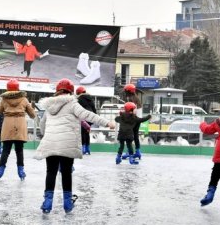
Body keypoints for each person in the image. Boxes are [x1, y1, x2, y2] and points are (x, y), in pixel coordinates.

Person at [35, 78, 115, 213]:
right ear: (70, 92)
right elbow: (88, 115)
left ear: (57, 91)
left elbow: (42, 125)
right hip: (67, 143)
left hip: (51, 142)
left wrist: (48, 134)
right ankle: (67, 203)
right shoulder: (72, 103)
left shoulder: (49, 107)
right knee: (66, 172)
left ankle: (47, 202)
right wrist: (107, 123)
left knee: (51, 172)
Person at [0, 79, 36, 180]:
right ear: (18, 88)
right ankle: (21, 171)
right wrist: (32, 112)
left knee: (6, 150)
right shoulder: (24, 100)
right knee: (19, 150)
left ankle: (0, 171)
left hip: (7, 125)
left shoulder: (4, 100)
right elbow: (32, 114)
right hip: (20, 126)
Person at [121, 84, 144, 159]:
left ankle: (129, 152)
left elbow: (130, 111)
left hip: (133, 119)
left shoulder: (131, 99)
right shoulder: (135, 97)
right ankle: (138, 152)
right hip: (138, 119)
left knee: (129, 136)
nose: (125, 92)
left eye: (126, 91)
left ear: (129, 91)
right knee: (135, 136)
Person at [76, 86, 96, 155]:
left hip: (84, 116)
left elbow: (77, 109)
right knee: (87, 132)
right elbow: (94, 109)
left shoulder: (79, 99)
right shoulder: (90, 99)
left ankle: (83, 148)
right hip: (91, 117)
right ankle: (88, 148)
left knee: (82, 132)